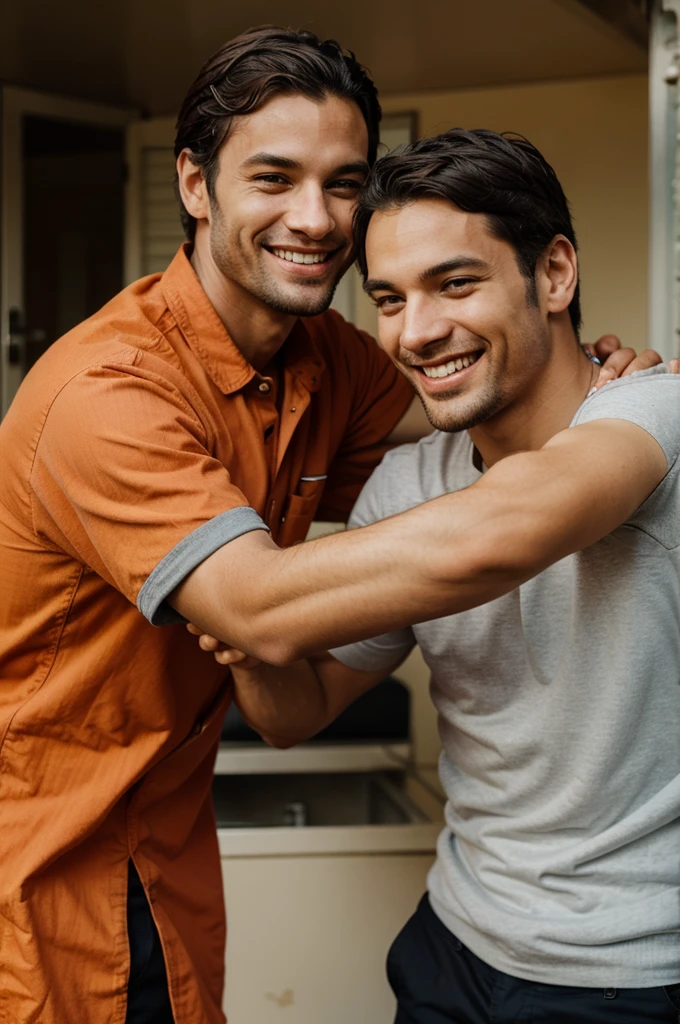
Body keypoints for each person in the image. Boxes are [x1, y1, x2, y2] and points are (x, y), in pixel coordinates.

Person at [0, 24, 661, 1024]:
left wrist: (617, 394)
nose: (313, 218)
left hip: (169, 853)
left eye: (343, 182)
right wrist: (256, 607)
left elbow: (479, 394)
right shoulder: (106, 392)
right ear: (194, 185)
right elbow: (269, 624)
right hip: (44, 856)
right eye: (272, 177)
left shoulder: (332, 362)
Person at [199, 129, 680, 1023]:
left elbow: (499, 535)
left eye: (455, 284)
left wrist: (249, 593)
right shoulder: (410, 482)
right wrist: (247, 641)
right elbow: (296, 714)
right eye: (389, 298)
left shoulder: (656, 412)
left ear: (555, 275)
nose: (416, 333)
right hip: (454, 943)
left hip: (629, 973)